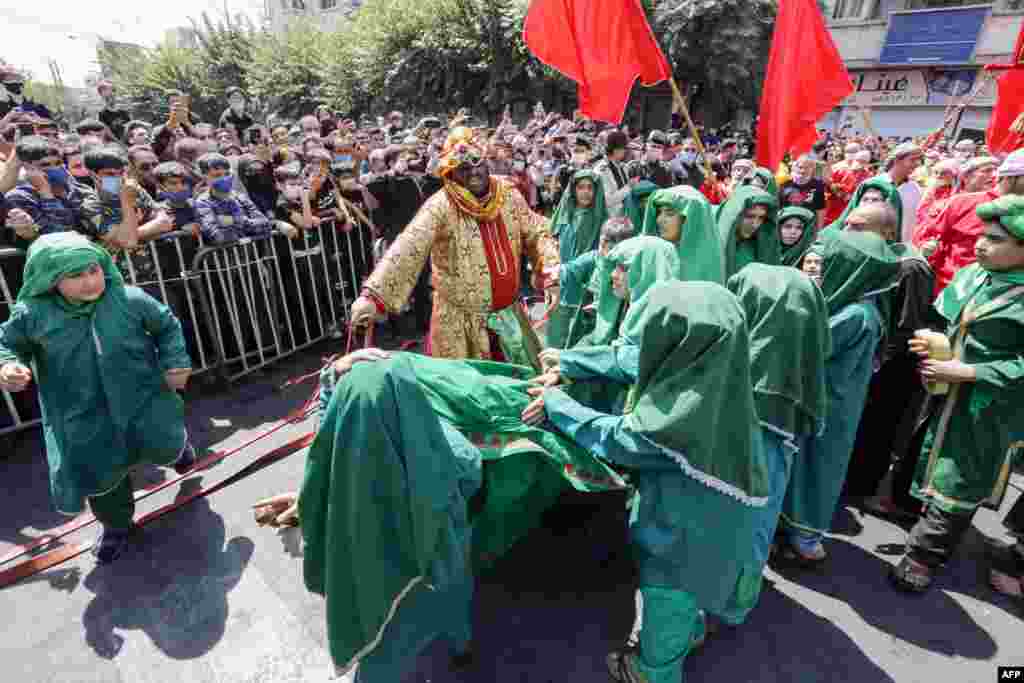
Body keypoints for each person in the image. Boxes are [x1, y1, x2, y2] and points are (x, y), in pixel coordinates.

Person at [535, 281, 770, 683]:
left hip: (688, 524)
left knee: (669, 591)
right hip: (717, 511)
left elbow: (626, 439)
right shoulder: (715, 362)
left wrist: (558, 405)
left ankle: (652, 670)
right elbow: (635, 359)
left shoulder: (686, 409)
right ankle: (687, 633)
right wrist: (571, 362)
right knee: (694, 587)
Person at [0, 233, 193, 564]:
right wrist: (7, 366)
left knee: (162, 438)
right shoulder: (31, 314)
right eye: (75, 275)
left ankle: (179, 451)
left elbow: (166, 324)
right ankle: (117, 526)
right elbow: (7, 343)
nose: (89, 281)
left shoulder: (129, 298)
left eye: (93, 270)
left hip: (143, 396)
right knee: (100, 473)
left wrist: (175, 362)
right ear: (50, 279)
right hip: (81, 412)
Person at [889, 195, 1024, 593]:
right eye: (984, 235)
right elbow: (947, 320)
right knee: (928, 456)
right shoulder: (975, 274)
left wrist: (970, 371)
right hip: (943, 390)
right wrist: (932, 340)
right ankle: (923, 523)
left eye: (997, 239)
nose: (982, 243)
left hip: (990, 404)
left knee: (960, 476)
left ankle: (923, 557)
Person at [349, 127, 559, 361]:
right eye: (463, 168)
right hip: (459, 327)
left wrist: (550, 271)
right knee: (466, 392)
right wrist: (372, 297)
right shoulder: (441, 205)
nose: (473, 173)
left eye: (477, 164)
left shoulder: (508, 194)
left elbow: (537, 231)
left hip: (510, 319)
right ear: (450, 172)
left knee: (526, 389)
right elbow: (409, 246)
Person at [778, 231, 901, 565]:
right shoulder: (862, 305)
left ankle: (805, 542)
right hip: (833, 404)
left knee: (815, 470)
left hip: (828, 408)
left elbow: (811, 346)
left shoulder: (854, 316)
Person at [726, 264, 830, 606]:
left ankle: (721, 600)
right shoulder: (799, 363)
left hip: (734, 449)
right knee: (761, 516)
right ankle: (742, 594)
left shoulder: (735, 358)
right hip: (780, 436)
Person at [916, 149, 1024, 296]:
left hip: (1004, 300)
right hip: (951, 294)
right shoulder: (962, 202)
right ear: (1010, 177)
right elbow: (927, 237)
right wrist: (927, 249)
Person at [546, 169, 609, 348]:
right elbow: (551, 244)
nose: (585, 192)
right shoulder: (564, 214)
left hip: (585, 287)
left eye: (590, 188)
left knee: (578, 337)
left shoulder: (602, 219)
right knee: (556, 336)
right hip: (560, 283)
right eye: (581, 187)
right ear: (573, 190)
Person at [4, 136, 90, 249]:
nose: (54, 168)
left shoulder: (72, 188)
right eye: (45, 165)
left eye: (58, 163)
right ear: (27, 168)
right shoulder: (19, 197)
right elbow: (59, 235)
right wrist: (46, 194)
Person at [640, 185, 725, 284]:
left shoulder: (708, 265)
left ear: (690, 218)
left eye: (669, 214)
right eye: (659, 212)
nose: (659, 220)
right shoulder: (656, 259)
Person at [193, 152, 271, 244]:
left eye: (227, 174)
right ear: (205, 177)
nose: (224, 178)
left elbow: (265, 225)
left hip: (250, 255)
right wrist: (248, 226)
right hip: (222, 256)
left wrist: (234, 220)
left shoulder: (240, 197)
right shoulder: (202, 203)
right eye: (217, 175)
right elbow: (217, 236)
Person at [716, 185, 780, 279]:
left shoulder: (760, 248)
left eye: (761, 218)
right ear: (734, 215)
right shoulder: (711, 245)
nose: (755, 224)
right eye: (749, 216)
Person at [880, 143, 924, 244]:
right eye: (912, 160)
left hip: (901, 248)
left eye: (918, 160)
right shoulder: (875, 184)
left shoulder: (916, 189)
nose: (917, 164)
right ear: (897, 160)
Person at [779, 156, 827, 227]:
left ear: (812, 169)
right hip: (787, 226)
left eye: (807, 168)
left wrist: (819, 231)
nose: (803, 171)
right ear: (794, 168)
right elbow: (779, 209)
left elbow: (820, 211)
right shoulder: (784, 185)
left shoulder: (818, 186)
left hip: (808, 228)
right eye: (800, 167)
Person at [593, 130, 631, 216]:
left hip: (624, 217)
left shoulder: (623, 167)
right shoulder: (602, 169)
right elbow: (607, 200)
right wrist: (629, 187)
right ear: (615, 149)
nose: (625, 151)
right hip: (609, 220)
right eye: (624, 148)